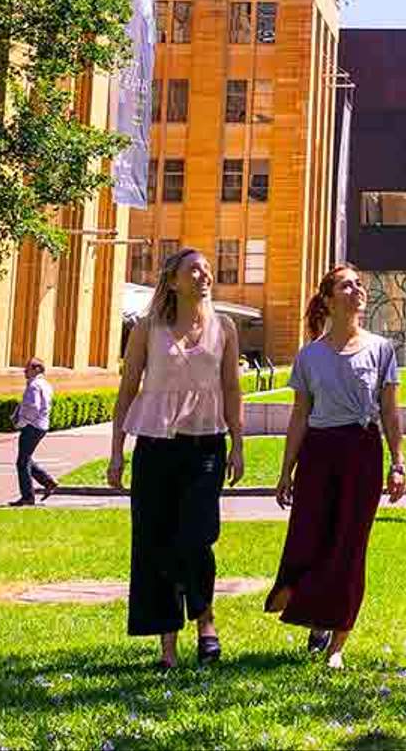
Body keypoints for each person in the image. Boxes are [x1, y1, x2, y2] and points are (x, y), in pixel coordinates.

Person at [108, 246, 246, 668]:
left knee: (198, 537)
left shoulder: (224, 328)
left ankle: (206, 620)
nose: (204, 275)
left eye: (206, 269)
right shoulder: (147, 328)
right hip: (155, 445)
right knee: (156, 542)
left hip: (206, 444)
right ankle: (167, 645)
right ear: (172, 281)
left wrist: (238, 443)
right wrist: (116, 453)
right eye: (193, 270)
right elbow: (127, 391)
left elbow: (232, 389)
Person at [268, 264, 406, 669]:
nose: (357, 289)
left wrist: (398, 463)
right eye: (346, 285)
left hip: (362, 451)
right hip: (318, 451)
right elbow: (299, 415)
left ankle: (337, 645)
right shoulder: (309, 356)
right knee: (312, 538)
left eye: (359, 284)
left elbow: (390, 412)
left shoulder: (381, 349)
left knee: (350, 546)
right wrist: (286, 470)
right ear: (328, 300)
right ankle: (315, 614)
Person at [10, 359, 60, 506]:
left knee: (22, 462)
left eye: (28, 368)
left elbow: (33, 407)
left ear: (37, 369)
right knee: (26, 459)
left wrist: (21, 422)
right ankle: (48, 482)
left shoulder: (34, 386)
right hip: (41, 426)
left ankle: (28, 497)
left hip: (32, 426)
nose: (25, 371)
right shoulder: (45, 384)